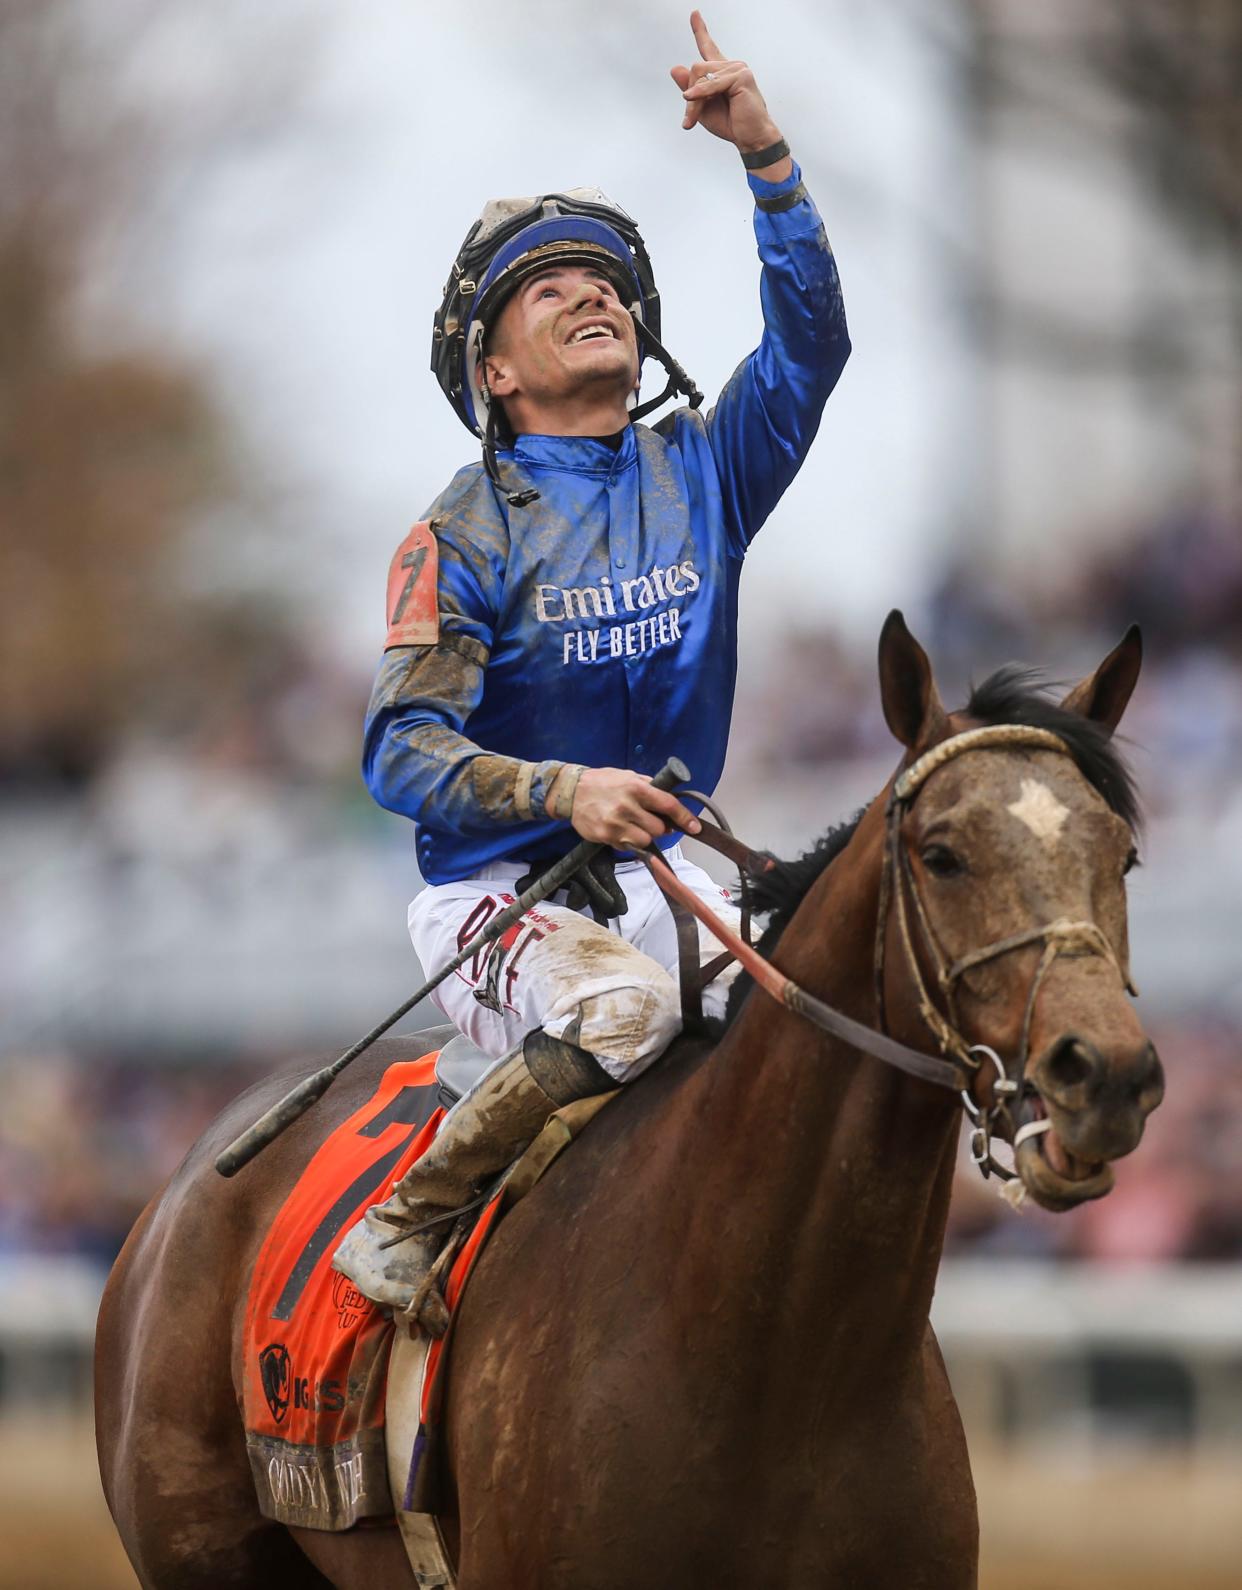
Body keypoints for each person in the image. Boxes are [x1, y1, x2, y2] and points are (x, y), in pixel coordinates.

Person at [333, 11, 851, 1322]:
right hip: (503, 901)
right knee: (621, 1009)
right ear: (494, 369)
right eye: (546, 286)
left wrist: (769, 162)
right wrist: (565, 789)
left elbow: (810, 352)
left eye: (605, 277)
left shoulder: (705, 472)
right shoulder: (457, 533)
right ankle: (408, 1218)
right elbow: (400, 752)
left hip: (673, 874)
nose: (590, 290)